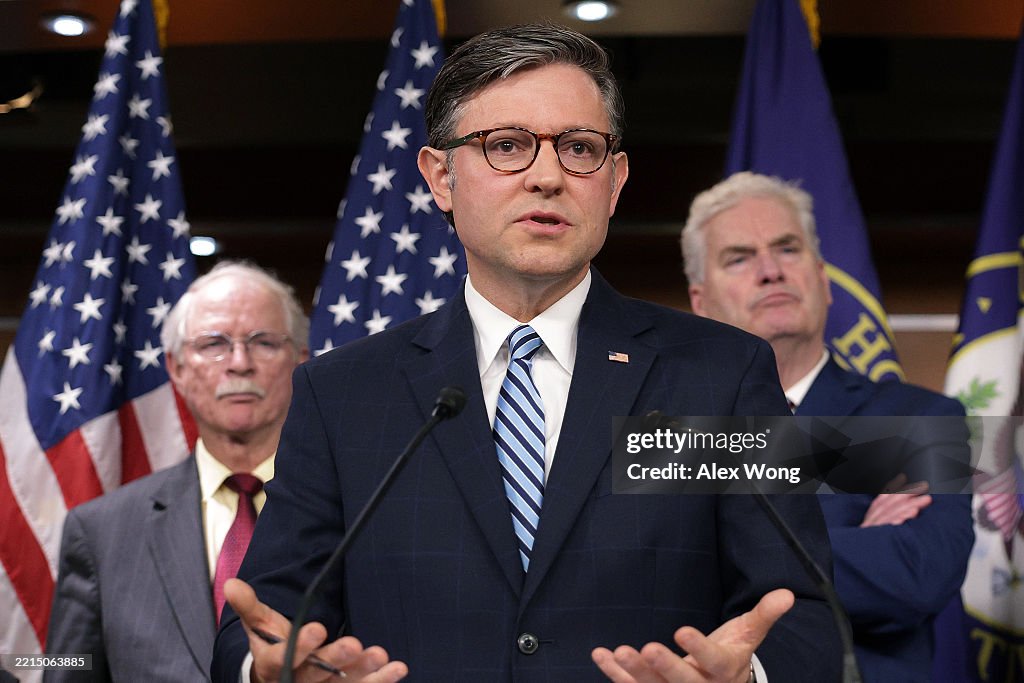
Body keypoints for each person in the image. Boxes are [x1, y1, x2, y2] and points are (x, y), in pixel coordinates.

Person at [213, 25, 841, 683]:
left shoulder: (720, 376)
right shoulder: (342, 394)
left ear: (615, 180)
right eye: (506, 146)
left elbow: (805, 618)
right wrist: (273, 673)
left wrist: (747, 677)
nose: (548, 176)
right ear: (440, 177)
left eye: (579, 148)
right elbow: (256, 628)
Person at [682, 171, 974, 682]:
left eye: (787, 249)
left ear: (822, 279)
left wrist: (715, 547)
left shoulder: (924, 420)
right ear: (700, 302)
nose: (770, 270)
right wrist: (851, 540)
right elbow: (635, 581)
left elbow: (917, 574)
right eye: (740, 257)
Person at [44, 261, 310, 682]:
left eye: (263, 342)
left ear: (300, 360)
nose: (239, 363)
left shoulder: (354, 508)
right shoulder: (100, 531)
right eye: (213, 344)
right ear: (177, 368)